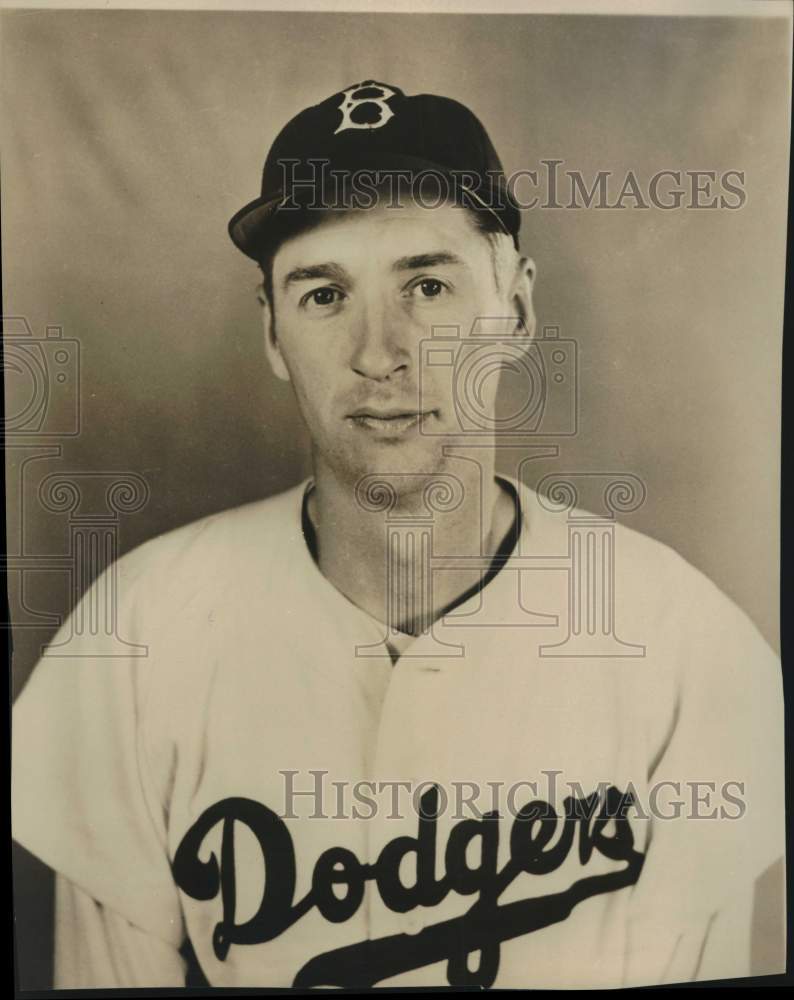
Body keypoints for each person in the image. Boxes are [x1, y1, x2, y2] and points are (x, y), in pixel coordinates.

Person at [11, 80, 784, 989]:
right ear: (271, 331)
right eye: (325, 294)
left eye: (428, 285)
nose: (381, 353)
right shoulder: (136, 637)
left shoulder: (687, 647)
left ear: (517, 314)